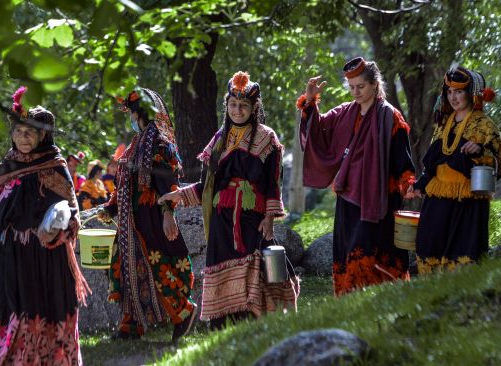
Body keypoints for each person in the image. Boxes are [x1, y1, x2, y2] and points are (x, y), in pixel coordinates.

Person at [159, 71, 299, 330]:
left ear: (254, 108)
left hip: (251, 219)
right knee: (222, 270)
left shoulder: (267, 138)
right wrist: (179, 195)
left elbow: (272, 183)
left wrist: (269, 218)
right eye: (233, 105)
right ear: (227, 105)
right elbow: (208, 186)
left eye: (243, 105)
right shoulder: (219, 140)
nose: (237, 110)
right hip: (222, 221)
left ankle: (258, 323)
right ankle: (222, 326)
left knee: (256, 268)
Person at [0, 86, 90, 365]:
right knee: (9, 317)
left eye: (30, 132)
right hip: (10, 260)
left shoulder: (55, 167)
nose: (22, 137)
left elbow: (72, 214)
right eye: (18, 131)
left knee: (44, 315)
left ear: (42, 135)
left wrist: (57, 228)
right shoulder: (7, 168)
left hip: (46, 259)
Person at [296, 57, 415, 296]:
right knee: (349, 251)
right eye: (351, 87)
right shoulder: (344, 112)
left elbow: (402, 156)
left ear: (374, 84)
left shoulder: (389, 117)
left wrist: (408, 183)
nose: (356, 92)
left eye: (361, 86)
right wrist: (310, 100)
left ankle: (383, 297)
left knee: (371, 251)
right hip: (348, 197)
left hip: (379, 197)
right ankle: (350, 301)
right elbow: (318, 130)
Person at [97, 88, 196, 341]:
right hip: (131, 223)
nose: (129, 117)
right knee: (128, 269)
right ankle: (131, 325)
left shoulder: (159, 143)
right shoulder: (136, 144)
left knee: (159, 266)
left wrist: (167, 214)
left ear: (139, 113)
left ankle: (183, 313)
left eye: (130, 112)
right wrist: (110, 208)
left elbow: (166, 182)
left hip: (151, 218)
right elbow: (124, 184)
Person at [406, 65, 501, 273]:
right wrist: (420, 185)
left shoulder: (483, 124)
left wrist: (480, 150)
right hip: (438, 194)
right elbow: (434, 163)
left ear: (472, 94)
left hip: (468, 197)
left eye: (459, 91)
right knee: (430, 242)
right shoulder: (444, 124)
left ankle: (461, 287)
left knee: (462, 248)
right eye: (449, 92)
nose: (453, 97)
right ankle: (431, 287)